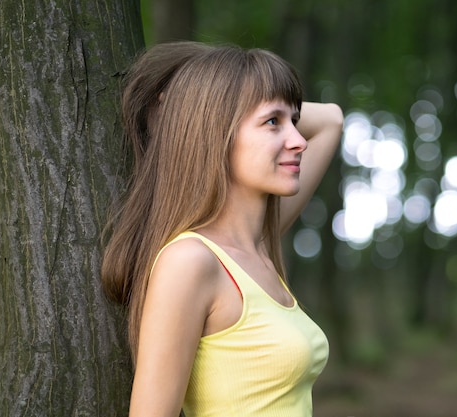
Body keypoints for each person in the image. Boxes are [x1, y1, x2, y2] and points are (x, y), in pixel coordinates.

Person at [101, 41, 343, 416]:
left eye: (293, 121)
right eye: (272, 122)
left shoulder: (255, 248)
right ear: (217, 133)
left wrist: (239, 93)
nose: (297, 140)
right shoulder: (191, 262)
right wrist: (201, 104)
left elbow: (331, 119)